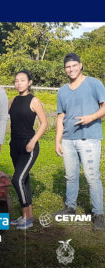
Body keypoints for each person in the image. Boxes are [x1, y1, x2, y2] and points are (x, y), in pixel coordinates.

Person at [55, 53, 105, 230]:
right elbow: (61, 116)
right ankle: (70, 207)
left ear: (81, 65)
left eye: (74, 65)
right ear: (65, 69)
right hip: (68, 140)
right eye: (68, 67)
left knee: (92, 177)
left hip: (89, 138)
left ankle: (99, 214)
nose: (71, 69)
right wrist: (57, 140)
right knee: (70, 176)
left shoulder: (93, 83)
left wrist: (91, 117)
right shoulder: (62, 90)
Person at [9, 70, 48, 230]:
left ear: (29, 82)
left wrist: (33, 141)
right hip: (14, 146)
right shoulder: (13, 100)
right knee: (24, 180)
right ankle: (27, 215)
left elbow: (44, 123)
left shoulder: (34, 101)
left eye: (22, 80)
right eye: (16, 80)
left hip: (29, 146)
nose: (19, 83)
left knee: (16, 179)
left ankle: (27, 218)